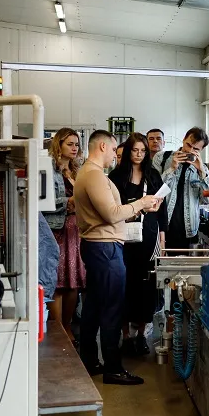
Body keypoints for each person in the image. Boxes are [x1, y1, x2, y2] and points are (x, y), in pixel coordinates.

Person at [74, 129, 160, 385]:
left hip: (100, 246)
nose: (115, 155)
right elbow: (111, 214)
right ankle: (113, 368)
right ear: (102, 147)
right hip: (105, 248)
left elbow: (113, 213)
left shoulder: (91, 174)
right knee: (112, 309)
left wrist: (138, 210)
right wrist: (141, 203)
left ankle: (90, 359)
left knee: (93, 306)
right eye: (113, 150)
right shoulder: (94, 175)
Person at [109, 133, 168, 356]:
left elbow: (162, 211)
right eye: (135, 150)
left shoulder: (153, 175)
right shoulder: (116, 177)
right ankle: (125, 335)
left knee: (146, 287)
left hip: (149, 237)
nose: (139, 155)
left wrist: (162, 239)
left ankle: (142, 334)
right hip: (122, 237)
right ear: (127, 152)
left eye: (143, 151)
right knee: (124, 285)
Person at [43, 128, 84, 345]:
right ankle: (58, 328)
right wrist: (67, 203)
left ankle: (67, 325)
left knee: (73, 281)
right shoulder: (48, 169)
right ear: (58, 144)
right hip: (56, 229)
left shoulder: (77, 171)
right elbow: (42, 202)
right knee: (57, 281)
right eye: (70, 144)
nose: (74, 148)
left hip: (76, 231)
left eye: (77, 144)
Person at [152, 127, 209, 251]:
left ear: (201, 150)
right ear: (183, 139)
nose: (190, 150)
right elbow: (155, 192)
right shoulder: (161, 158)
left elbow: (207, 200)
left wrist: (201, 173)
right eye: (188, 145)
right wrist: (172, 169)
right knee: (161, 262)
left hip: (189, 230)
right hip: (163, 227)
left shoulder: (203, 169)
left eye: (196, 149)